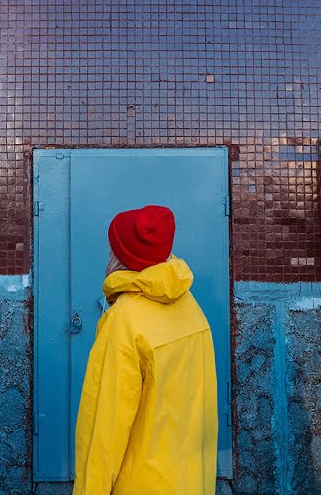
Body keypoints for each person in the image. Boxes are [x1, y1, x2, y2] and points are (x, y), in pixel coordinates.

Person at [73, 205, 218, 495]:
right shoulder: (192, 308)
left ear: (121, 255)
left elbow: (102, 430)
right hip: (190, 482)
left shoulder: (124, 320)